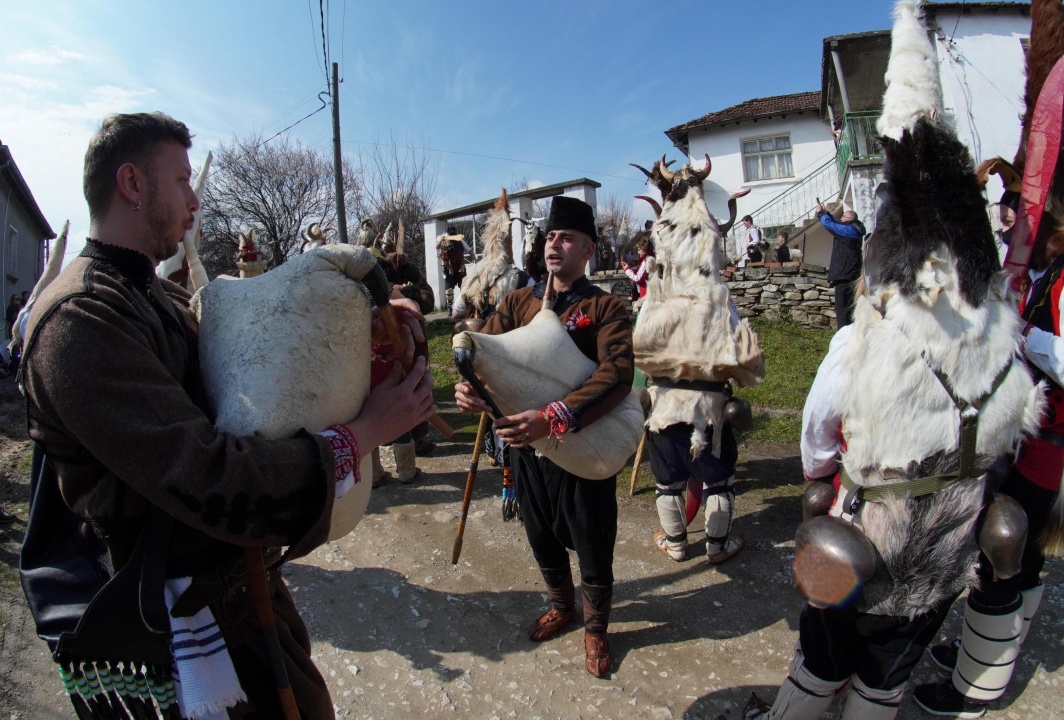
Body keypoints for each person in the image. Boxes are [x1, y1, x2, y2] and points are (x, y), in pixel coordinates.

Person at [20, 112, 435, 719]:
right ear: (133, 185)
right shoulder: (81, 320)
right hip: (175, 626)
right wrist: (364, 433)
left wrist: (357, 327)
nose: (194, 200)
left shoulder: (150, 295)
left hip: (237, 590)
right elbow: (206, 475)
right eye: (183, 181)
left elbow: (247, 376)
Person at [454, 196, 634, 678]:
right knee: (540, 534)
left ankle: (596, 631)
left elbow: (617, 374)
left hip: (581, 442)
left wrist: (554, 417)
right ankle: (562, 605)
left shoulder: (605, 306)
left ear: (588, 248)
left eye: (567, 237)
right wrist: (471, 389)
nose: (556, 244)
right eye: (552, 236)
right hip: (526, 448)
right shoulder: (517, 302)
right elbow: (484, 350)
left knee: (593, 541)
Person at [816, 203, 865, 328]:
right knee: (850, 309)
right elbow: (836, 223)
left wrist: (821, 214)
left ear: (849, 219)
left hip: (844, 276)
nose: (841, 219)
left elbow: (830, 225)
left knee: (842, 310)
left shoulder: (848, 231)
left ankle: (844, 337)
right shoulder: (854, 229)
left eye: (843, 216)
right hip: (851, 275)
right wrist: (826, 213)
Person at [437, 225, 470, 311]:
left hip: (460, 268)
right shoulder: (443, 239)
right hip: (448, 268)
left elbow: (469, 250)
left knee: (464, 286)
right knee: (449, 289)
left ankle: (465, 304)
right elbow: (437, 246)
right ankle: (449, 307)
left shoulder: (460, 240)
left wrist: (474, 259)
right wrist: (442, 239)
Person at [622, 235, 654, 299]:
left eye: (639, 250)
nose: (638, 252)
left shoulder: (647, 260)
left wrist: (627, 270)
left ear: (644, 249)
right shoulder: (651, 257)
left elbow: (638, 278)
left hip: (647, 295)